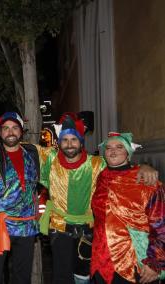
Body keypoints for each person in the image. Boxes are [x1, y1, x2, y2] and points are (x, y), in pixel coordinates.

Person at [38, 113, 159, 284]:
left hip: (93, 232)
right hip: (61, 229)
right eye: (65, 140)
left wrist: (145, 167)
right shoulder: (49, 159)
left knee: (84, 276)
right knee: (61, 276)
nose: (70, 144)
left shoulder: (97, 164)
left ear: (81, 142)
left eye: (74, 140)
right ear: (59, 143)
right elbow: (25, 151)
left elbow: (123, 166)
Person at [91, 132, 165, 284]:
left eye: (119, 147)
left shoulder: (146, 181)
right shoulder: (101, 177)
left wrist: (155, 263)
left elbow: (161, 226)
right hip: (101, 260)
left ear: (128, 153)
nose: (113, 151)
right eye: (109, 147)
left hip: (134, 263)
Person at [0, 112, 40, 284]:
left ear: (21, 132)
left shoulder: (34, 153)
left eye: (14, 128)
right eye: (6, 129)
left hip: (27, 227)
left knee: (22, 277)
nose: (10, 132)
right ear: (0, 133)